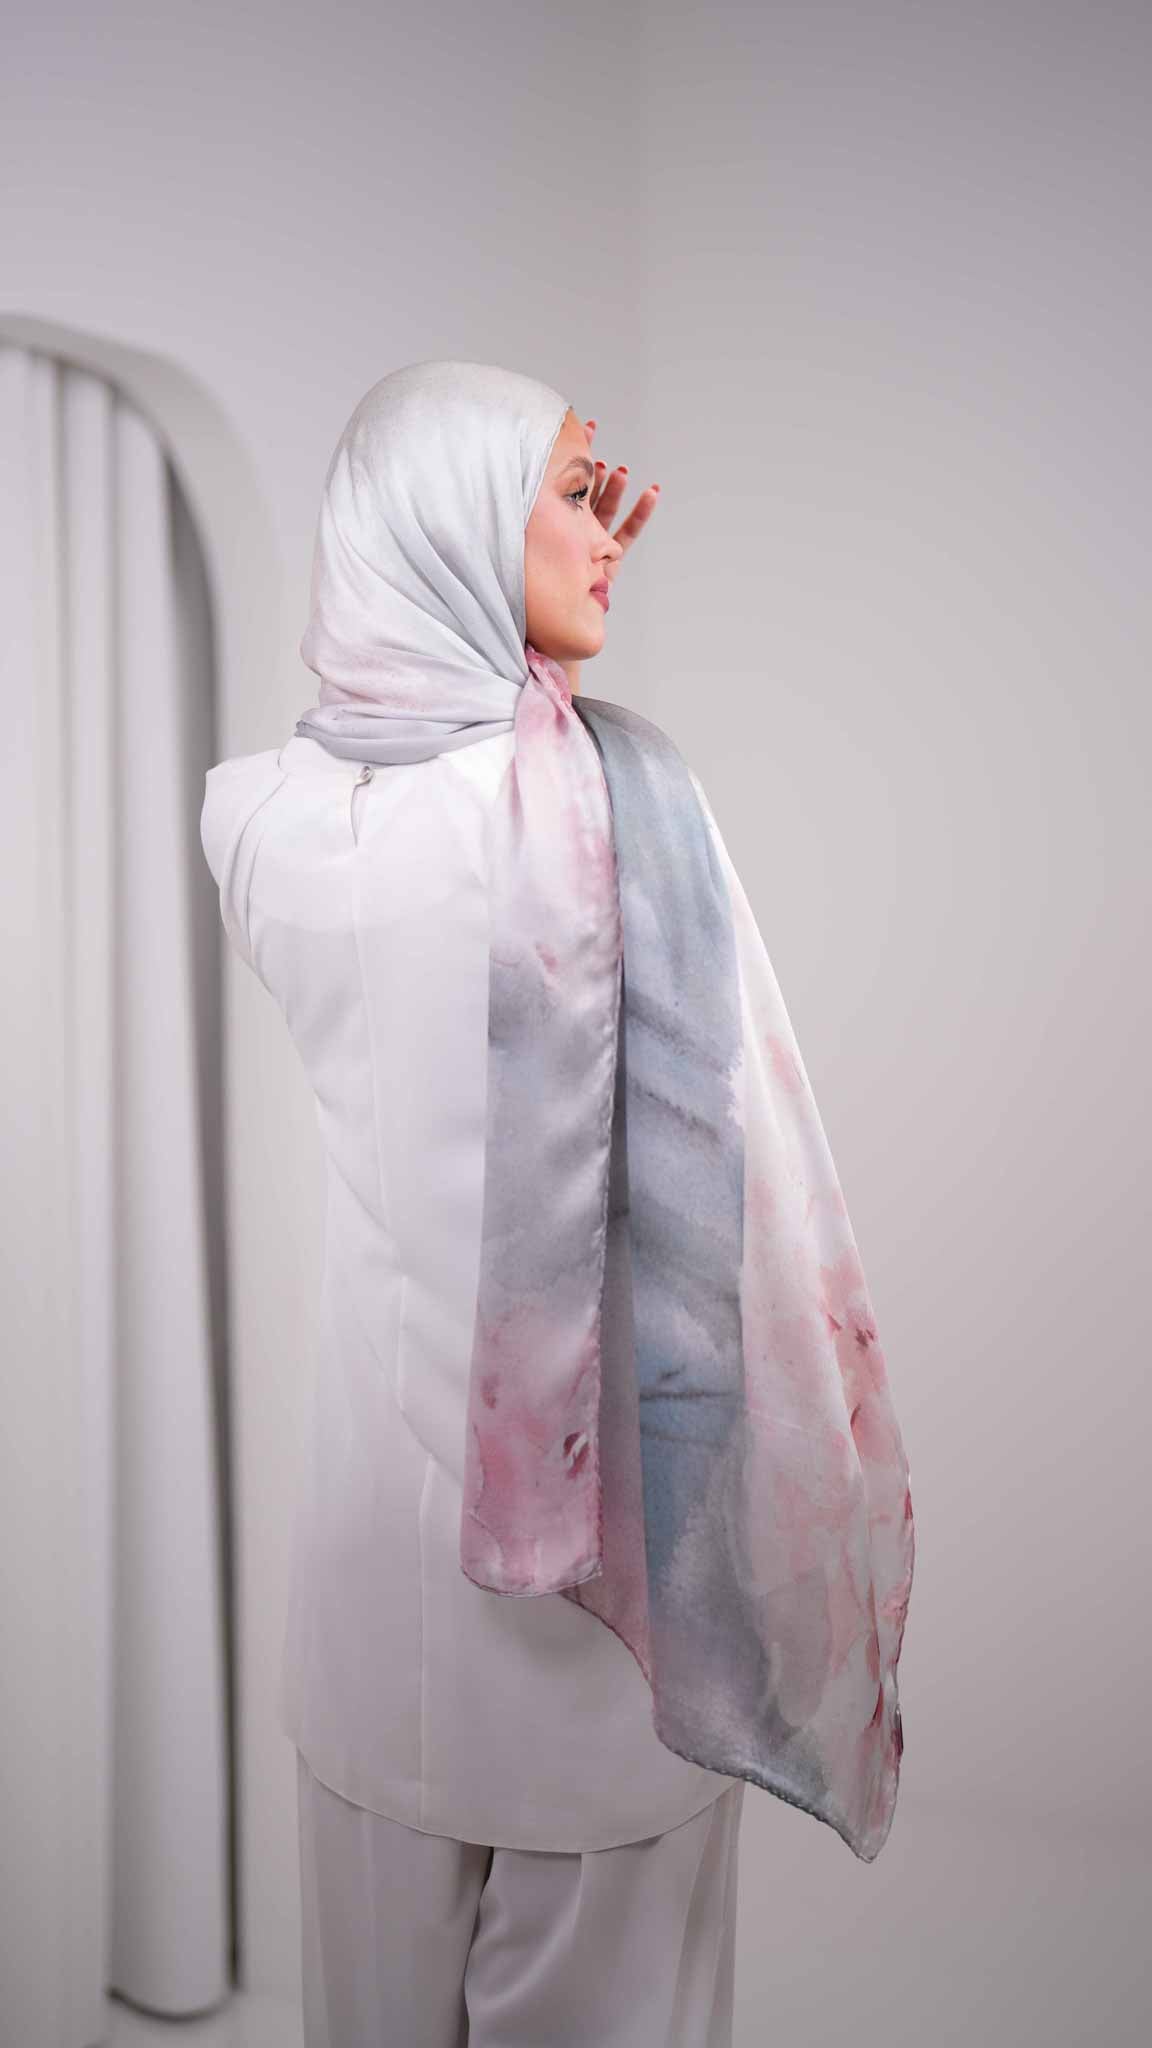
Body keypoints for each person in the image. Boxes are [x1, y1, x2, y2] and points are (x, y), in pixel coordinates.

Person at [201, 360, 912, 2045]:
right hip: (615, 1591)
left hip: (369, 1585)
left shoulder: (255, 812)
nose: (612, 534)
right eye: (578, 493)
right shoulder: (624, 799)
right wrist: (561, 701)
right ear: (460, 524)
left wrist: (527, 639)